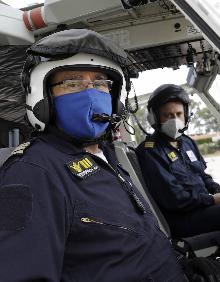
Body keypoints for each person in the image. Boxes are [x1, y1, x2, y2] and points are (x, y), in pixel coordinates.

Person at [0, 30, 187, 281]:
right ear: (43, 97)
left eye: (100, 83)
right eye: (73, 82)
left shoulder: (106, 156)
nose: (91, 93)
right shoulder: (31, 172)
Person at [136, 84, 220, 238]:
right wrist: (212, 200)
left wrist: (216, 190)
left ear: (186, 115)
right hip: (182, 219)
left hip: (203, 208)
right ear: (155, 118)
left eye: (179, 114)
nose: (174, 120)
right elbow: (175, 200)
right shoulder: (150, 151)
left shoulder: (187, 142)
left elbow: (202, 176)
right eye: (167, 115)